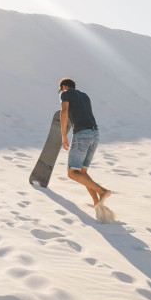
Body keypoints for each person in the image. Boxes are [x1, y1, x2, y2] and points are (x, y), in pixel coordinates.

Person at [58, 78, 111, 206]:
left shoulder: (65, 93)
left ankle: (102, 191)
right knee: (82, 172)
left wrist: (63, 135)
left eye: (60, 89)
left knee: (72, 173)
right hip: (95, 134)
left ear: (64, 86)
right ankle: (96, 202)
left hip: (82, 135)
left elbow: (64, 111)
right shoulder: (85, 96)